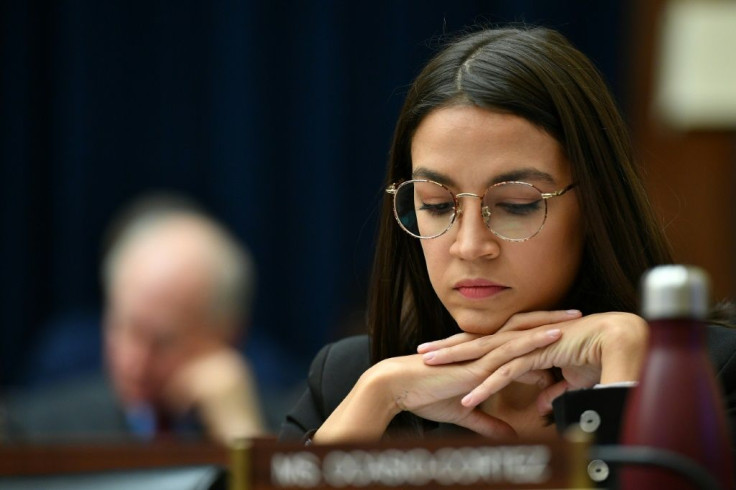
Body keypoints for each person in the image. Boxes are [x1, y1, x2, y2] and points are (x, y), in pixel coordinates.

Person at [279, 26, 736, 447]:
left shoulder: (711, 373)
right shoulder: (350, 379)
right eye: (437, 204)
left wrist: (625, 365)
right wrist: (380, 397)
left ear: (596, 204)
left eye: (517, 204)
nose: (470, 245)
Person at [2, 194, 266, 444]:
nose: (135, 363)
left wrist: (241, 433)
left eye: (163, 341)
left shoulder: (290, 428)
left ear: (228, 334)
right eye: (125, 329)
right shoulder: (30, 433)